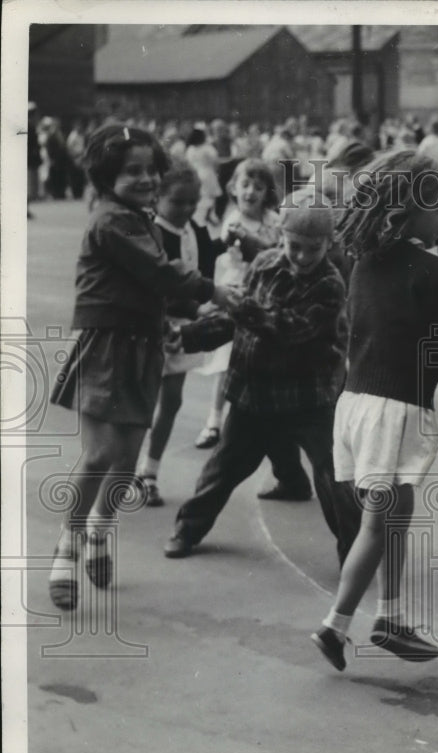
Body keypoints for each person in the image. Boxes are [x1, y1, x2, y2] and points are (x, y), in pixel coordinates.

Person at [310, 150, 438, 671]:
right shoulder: (429, 270)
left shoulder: (366, 261)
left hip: (356, 405)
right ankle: (335, 626)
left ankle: (393, 618)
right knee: (380, 526)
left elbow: (403, 317)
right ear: (412, 207)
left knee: (395, 519)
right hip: (395, 411)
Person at [47, 124, 239, 611]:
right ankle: (66, 547)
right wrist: (214, 291)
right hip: (106, 345)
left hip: (143, 345)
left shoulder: (140, 218)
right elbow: (159, 274)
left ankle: (100, 529)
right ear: (105, 176)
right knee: (98, 454)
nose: (146, 179)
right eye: (131, 171)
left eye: (151, 169)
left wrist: (168, 324)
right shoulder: (112, 221)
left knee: (127, 457)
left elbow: (152, 289)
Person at [163, 198, 356, 565]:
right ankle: (188, 527)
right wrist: (189, 335)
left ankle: (355, 552)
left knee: (334, 477)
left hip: (310, 398)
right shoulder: (264, 264)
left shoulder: (330, 284)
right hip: (255, 393)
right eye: (293, 245)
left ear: (328, 243)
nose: (301, 256)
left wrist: (240, 307)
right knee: (222, 468)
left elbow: (290, 329)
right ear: (281, 237)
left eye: (312, 249)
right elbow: (232, 320)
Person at [135, 161, 224, 506]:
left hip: (183, 329)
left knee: (171, 400)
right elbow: (162, 286)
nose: (187, 209)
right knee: (143, 401)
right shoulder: (152, 235)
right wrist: (197, 307)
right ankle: (129, 469)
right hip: (156, 326)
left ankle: (150, 470)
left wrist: (225, 243)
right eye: (179, 202)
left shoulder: (192, 229)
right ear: (157, 198)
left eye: (193, 201)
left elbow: (203, 259)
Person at [195, 159, 282, 450]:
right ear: (234, 188)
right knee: (226, 360)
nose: (250, 192)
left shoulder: (273, 220)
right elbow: (224, 256)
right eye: (245, 185)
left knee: (257, 359)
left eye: (258, 187)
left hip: (264, 292)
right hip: (237, 289)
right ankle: (214, 421)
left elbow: (277, 254)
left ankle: (249, 424)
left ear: (267, 191)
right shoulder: (233, 219)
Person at [184, 125, 222, 225]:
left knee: (201, 196)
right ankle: (207, 215)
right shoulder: (207, 148)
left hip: (196, 173)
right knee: (211, 196)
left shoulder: (190, 149)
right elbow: (215, 161)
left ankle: (199, 216)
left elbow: (188, 162)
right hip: (208, 173)